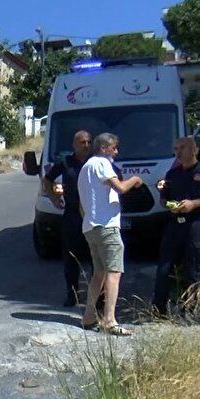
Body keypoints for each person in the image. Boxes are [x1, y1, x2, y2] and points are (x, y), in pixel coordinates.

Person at [77, 132, 144, 335]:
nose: (116, 151)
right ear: (104, 148)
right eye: (114, 147)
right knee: (114, 272)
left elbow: (82, 203)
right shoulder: (103, 163)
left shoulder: (85, 168)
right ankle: (109, 320)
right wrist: (135, 179)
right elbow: (121, 188)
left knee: (99, 273)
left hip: (90, 226)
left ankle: (89, 315)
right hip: (106, 226)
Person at [153, 137, 200, 316]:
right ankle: (158, 310)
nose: (178, 152)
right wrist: (170, 205)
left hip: (198, 224)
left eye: (182, 147)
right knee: (164, 268)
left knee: (192, 269)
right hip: (175, 226)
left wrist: (195, 203)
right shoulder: (173, 174)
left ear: (193, 150)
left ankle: (189, 309)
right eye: (176, 148)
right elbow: (164, 198)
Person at [43, 130, 93, 306]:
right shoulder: (65, 162)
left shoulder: (95, 162)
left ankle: (98, 298)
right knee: (71, 258)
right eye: (82, 142)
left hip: (92, 216)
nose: (86, 145)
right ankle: (72, 294)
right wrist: (54, 198)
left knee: (96, 258)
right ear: (74, 145)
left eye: (88, 142)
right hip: (72, 215)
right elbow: (47, 179)